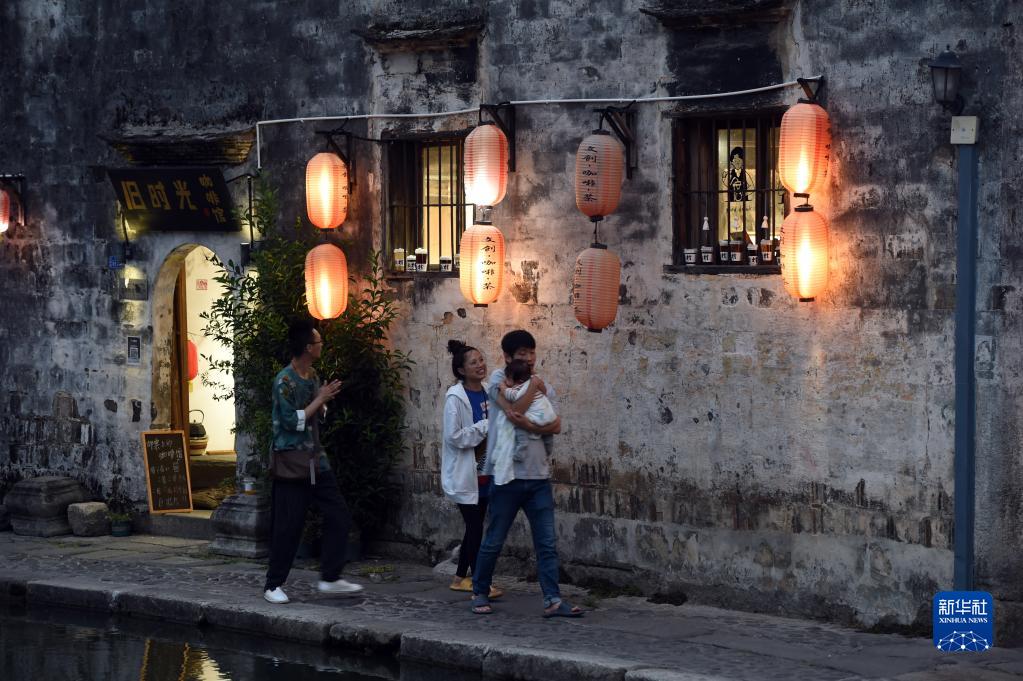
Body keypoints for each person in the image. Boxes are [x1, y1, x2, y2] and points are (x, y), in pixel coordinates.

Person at [470, 330, 583, 618]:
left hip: (538, 478)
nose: (530, 358)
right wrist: (533, 386)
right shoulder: (499, 381)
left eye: (532, 353)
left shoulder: (541, 384)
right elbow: (515, 410)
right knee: (494, 539)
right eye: (523, 354)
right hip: (506, 477)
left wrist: (532, 426)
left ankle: (552, 600)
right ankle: (479, 590)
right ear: (508, 357)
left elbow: (555, 424)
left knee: (546, 543)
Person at [263, 319, 364, 604]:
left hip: (316, 460)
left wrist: (323, 401)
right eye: (318, 342)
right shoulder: (283, 381)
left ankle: (330, 577)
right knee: (289, 525)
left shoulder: (313, 375)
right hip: (291, 461)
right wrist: (320, 399)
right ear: (308, 347)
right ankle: (273, 584)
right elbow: (291, 422)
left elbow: (318, 413)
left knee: (339, 514)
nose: (322, 345)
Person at [440, 340, 503, 598]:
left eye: (481, 360)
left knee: (474, 527)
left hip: (486, 471)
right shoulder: (455, 399)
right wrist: (485, 427)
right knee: (475, 527)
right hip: (465, 474)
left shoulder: (488, 391)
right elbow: (453, 436)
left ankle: (459, 579)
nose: (480, 365)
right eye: (473, 362)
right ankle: (480, 583)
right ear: (461, 370)